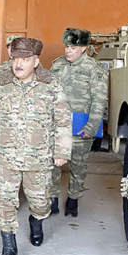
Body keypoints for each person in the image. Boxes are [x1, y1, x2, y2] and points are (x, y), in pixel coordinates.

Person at [0, 38, 71, 255]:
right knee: (6, 202)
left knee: (40, 202)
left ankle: (36, 219)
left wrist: (61, 150)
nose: (18, 64)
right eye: (15, 59)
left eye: (25, 59)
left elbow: (62, 119)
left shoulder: (51, 84)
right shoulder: (0, 84)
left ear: (36, 61)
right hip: (6, 156)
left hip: (38, 158)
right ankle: (9, 250)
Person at [49, 28, 108, 217]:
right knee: (53, 165)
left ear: (83, 48)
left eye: (73, 47)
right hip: (57, 127)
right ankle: (53, 199)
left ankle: (73, 200)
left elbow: (99, 100)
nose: (68, 51)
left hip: (81, 128)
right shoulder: (57, 65)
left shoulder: (94, 69)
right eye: (66, 46)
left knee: (78, 166)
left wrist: (91, 127)